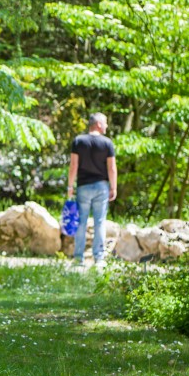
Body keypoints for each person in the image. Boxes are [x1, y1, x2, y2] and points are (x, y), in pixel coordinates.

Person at [67, 112, 117, 267]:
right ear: (99, 124)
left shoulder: (79, 141)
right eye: (106, 123)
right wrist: (113, 187)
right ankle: (99, 258)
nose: (107, 126)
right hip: (101, 187)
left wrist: (70, 186)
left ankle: (78, 258)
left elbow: (73, 165)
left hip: (83, 187)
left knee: (81, 222)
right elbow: (112, 168)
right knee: (99, 222)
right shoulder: (107, 143)